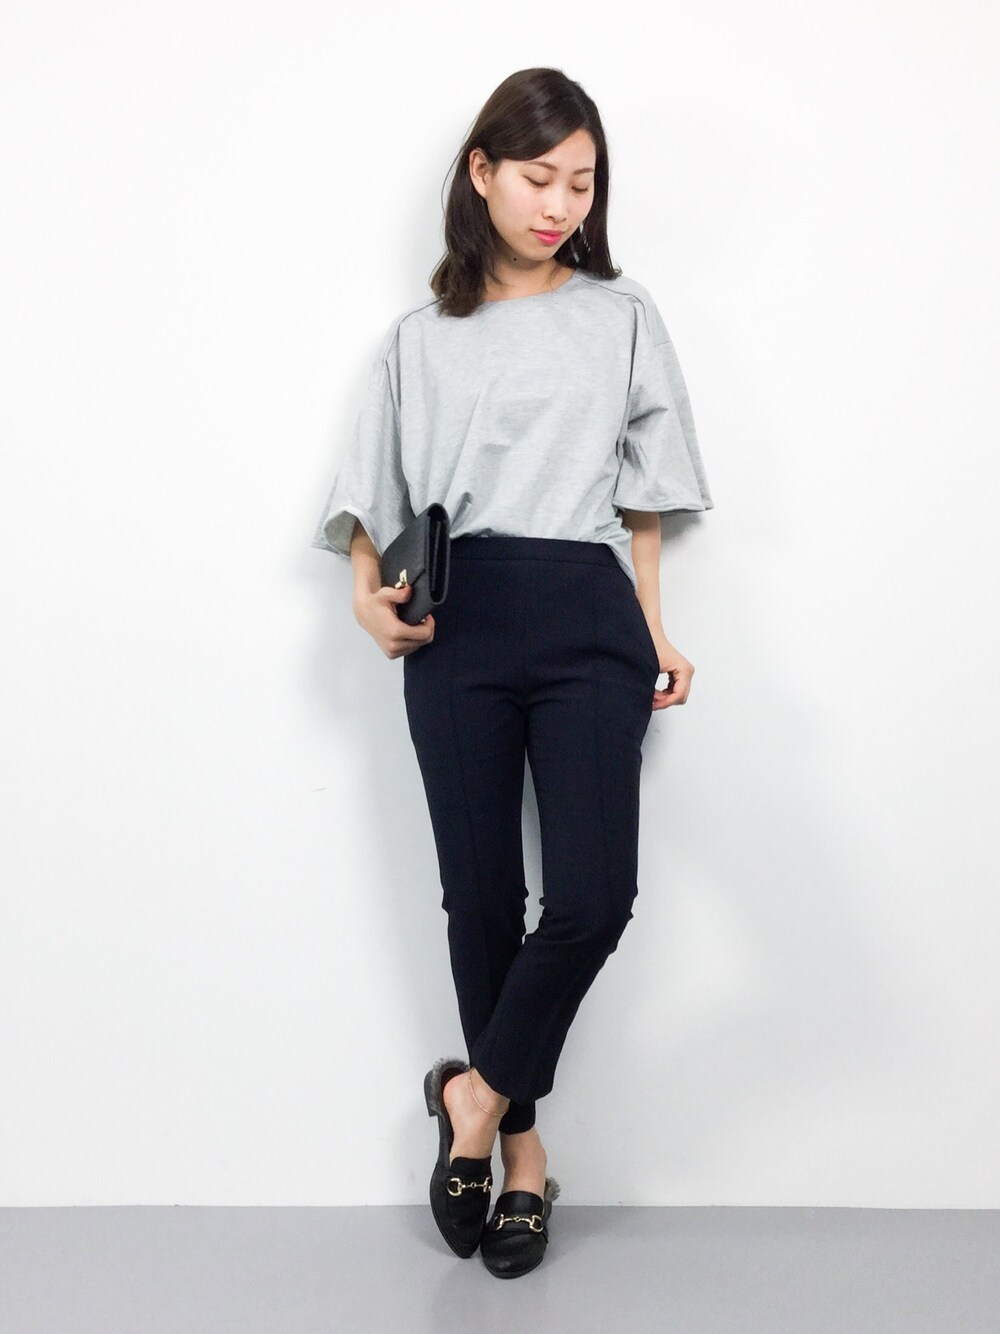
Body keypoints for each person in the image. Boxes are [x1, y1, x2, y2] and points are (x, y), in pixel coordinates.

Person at [310, 67, 713, 1278]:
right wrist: (364, 598)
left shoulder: (622, 313)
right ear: (480, 173)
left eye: (581, 184)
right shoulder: (416, 339)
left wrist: (655, 625)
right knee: (480, 899)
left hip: (588, 613)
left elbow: (644, 496)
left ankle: (472, 1097)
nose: (559, 205)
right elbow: (367, 497)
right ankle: (524, 1155)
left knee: (592, 896)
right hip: (459, 622)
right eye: (539, 177)